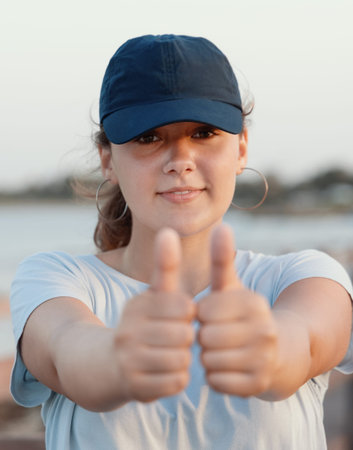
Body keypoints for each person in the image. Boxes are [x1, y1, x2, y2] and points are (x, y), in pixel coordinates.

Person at [10, 34, 353, 450]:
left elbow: (304, 339)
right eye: (148, 137)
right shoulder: (58, 280)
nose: (180, 160)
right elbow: (69, 352)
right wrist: (121, 359)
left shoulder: (304, 277)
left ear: (241, 147)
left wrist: (269, 352)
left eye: (204, 133)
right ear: (107, 160)